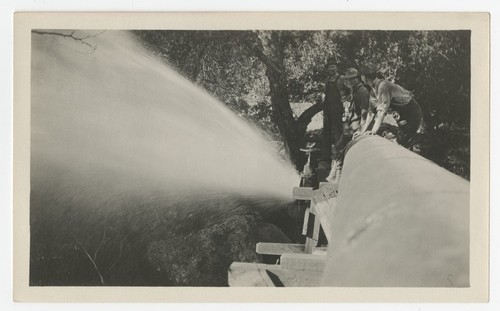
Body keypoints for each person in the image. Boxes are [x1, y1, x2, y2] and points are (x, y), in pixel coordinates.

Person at [356, 63, 422, 149]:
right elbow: (371, 113)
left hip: (411, 112)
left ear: (364, 76)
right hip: (402, 114)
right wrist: (362, 131)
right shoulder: (373, 90)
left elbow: (382, 112)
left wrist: (373, 131)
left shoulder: (383, 86)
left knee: (403, 144)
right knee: (400, 140)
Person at [326, 68, 370, 182]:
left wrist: (362, 130)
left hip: (356, 128)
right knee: (338, 148)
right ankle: (335, 176)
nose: (348, 83)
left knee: (340, 148)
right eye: (348, 80)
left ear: (356, 79)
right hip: (351, 126)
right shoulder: (355, 91)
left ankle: (336, 178)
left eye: (351, 80)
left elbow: (365, 113)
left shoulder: (362, 92)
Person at [322, 57, 349, 161]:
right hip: (327, 110)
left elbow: (350, 91)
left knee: (338, 132)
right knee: (326, 133)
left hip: (337, 110)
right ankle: (326, 156)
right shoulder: (327, 80)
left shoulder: (341, 78)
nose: (331, 69)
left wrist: (345, 100)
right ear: (327, 69)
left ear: (336, 68)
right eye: (329, 67)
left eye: (333, 66)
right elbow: (325, 93)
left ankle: (340, 156)